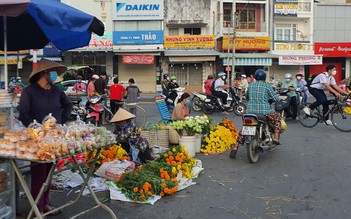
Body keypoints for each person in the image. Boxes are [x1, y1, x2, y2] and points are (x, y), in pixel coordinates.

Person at [19, 59, 72, 216]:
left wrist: (61, 121)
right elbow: (23, 114)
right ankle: (38, 207)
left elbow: (68, 105)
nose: (55, 75)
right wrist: (36, 129)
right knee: (38, 173)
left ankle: (46, 203)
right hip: (37, 140)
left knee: (49, 172)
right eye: (52, 72)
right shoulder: (29, 92)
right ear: (44, 73)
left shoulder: (56, 91)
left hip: (54, 138)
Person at [230, 69, 282, 158]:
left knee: (244, 128)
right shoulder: (267, 86)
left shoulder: (250, 86)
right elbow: (275, 98)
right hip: (265, 112)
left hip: (250, 112)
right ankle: (276, 138)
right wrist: (279, 99)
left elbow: (247, 97)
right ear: (264, 77)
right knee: (277, 119)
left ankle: (235, 147)